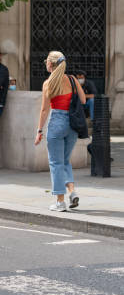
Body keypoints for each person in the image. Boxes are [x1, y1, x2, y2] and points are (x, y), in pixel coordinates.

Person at [34, 51, 85, 211]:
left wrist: (39, 130)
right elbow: (83, 100)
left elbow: (44, 111)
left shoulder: (48, 83)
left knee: (56, 163)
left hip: (57, 121)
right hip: (72, 124)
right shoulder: (72, 79)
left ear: (50, 64)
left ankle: (60, 202)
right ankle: (72, 191)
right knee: (64, 161)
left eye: (46, 62)